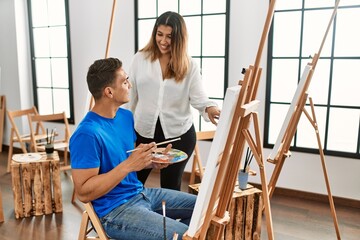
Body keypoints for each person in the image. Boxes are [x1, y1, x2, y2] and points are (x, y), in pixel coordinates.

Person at [70, 57, 196, 240]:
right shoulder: (87, 134)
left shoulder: (125, 117)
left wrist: (149, 161)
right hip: (114, 211)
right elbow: (83, 192)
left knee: (203, 209)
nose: (129, 84)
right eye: (124, 81)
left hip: (140, 193)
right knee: (184, 235)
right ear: (109, 92)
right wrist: (129, 165)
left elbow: (123, 160)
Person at [128, 11, 221, 191]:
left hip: (179, 136)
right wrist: (122, 128)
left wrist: (210, 107)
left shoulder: (189, 65)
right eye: (159, 34)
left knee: (170, 188)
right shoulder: (140, 59)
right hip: (143, 134)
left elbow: (199, 97)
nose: (163, 41)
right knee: (133, 183)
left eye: (169, 37)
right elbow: (130, 97)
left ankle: (168, 220)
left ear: (179, 38)